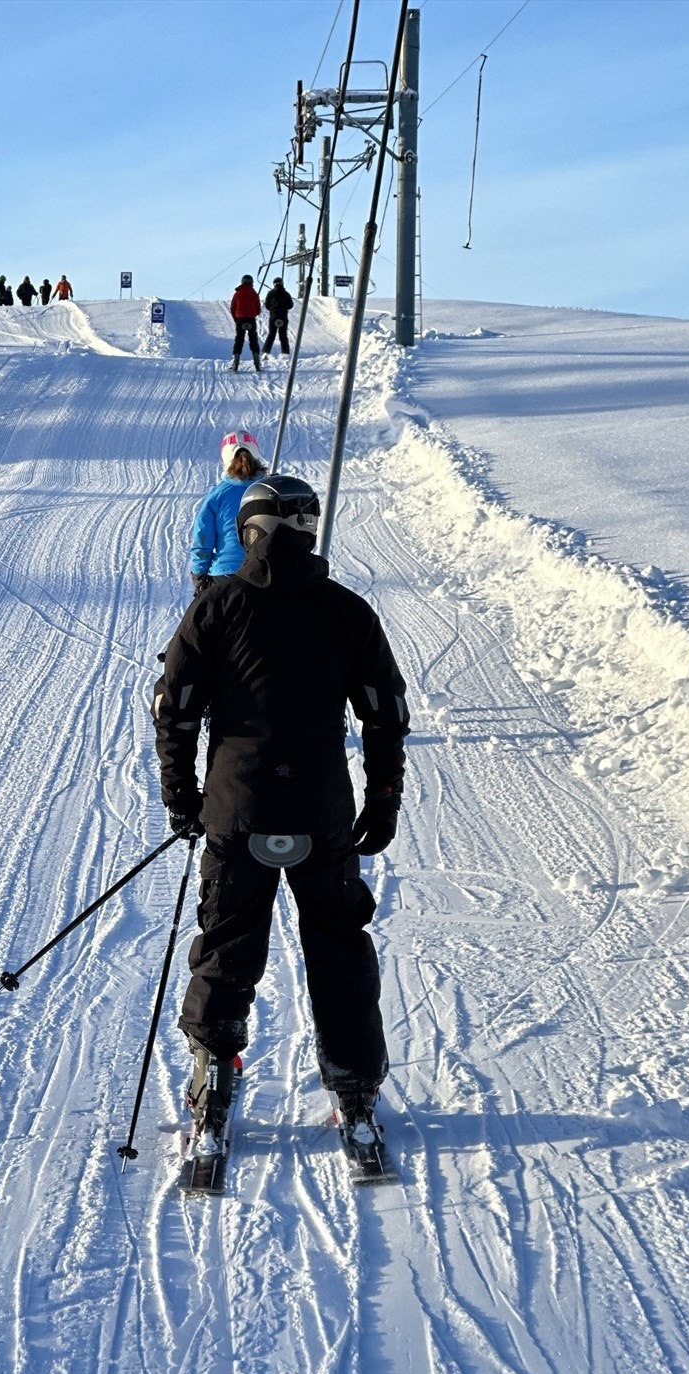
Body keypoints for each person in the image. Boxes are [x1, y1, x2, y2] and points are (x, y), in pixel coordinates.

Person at [152, 474, 410, 1156]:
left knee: (227, 944)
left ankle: (213, 1080)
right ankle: (353, 1088)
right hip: (322, 813)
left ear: (248, 532)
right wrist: (384, 797)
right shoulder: (347, 610)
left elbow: (174, 707)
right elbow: (385, 712)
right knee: (338, 945)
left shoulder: (218, 606)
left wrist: (182, 798)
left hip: (236, 812)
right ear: (308, 530)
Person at [189, 431, 266, 595]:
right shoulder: (271, 488)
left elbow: (203, 538)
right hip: (267, 573)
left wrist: (199, 574)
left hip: (226, 573)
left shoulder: (218, 494)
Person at [229, 274, 262, 372]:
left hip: (240, 319)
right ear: (252, 282)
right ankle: (256, 360)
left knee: (239, 339)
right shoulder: (254, 293)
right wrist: (253, 314)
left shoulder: (237, 293)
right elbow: (258, 309)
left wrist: (236, 319)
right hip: (251, 319)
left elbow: (233, 308)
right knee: (253, 339)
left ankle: (236, 360)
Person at [262, 278, 294, 357]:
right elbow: (290, 305)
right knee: (283, 335)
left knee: (271, 334)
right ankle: (285, 353)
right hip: (283, 317)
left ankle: (266, 352)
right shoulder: (286, 294)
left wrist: (272, 309)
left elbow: (267, 305)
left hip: (274, 316)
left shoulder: (270, 293)